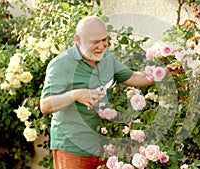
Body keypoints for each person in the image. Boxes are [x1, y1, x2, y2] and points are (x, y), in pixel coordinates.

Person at [40, 15, 155, 169]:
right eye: (95, 42)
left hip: (103, 147)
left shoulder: (107, 58)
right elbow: (45, 105)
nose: (101, 46)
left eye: (104, 40)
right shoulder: (61, 64)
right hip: (72, 147)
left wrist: (164, 72)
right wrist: (76, 94)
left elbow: (133, 77)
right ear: (78, 39)